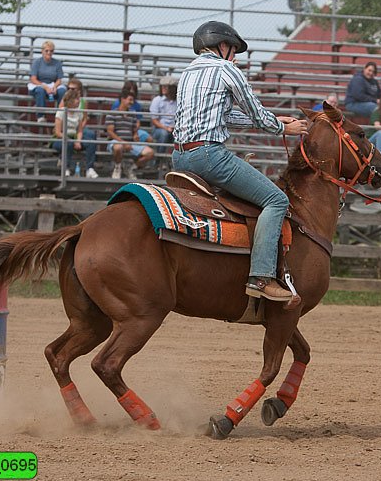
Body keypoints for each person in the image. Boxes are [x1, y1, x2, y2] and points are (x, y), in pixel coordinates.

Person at [173, 20, 308, 304]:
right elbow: (258, 115)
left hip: (180, 157)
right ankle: (260, 277)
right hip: (210, 157)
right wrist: (285, 128)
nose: (234, 56)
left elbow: (222, 114)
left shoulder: (186, 73)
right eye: (232, 49)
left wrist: (274, 119)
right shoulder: (227, 70)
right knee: (276, 200)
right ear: (221, 45)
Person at [106, 87, 154, 179]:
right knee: (118, 147)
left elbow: (134, 129)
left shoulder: (132, 113)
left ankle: (131, 168)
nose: (132, 102)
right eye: (130, 100)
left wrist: (135, 134)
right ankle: (117, 167)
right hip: (116, 141)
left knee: (150, 152)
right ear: (122, 99)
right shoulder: (112, 113)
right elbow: (110, 132)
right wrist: (123, 142)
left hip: (130, 142)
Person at [52, 88, 99, 178]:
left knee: (90, 142)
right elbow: (58, 132)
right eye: (77, 99)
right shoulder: (61, 112)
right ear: (71, 100)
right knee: (68, 144)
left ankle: (90, 168)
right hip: (61, 139)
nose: (79, 101)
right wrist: (70, 140)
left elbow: (80, 130)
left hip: (74, 137)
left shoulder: (79, 113)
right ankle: (66, 168)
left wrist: (78, 140)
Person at [28, 40, 66, 122]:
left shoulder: (57, 63)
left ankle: (61, 116)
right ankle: (41, 116)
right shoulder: (37, 62)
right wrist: (45, 86)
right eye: (47, 51)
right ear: (42, 51)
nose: (49, 53)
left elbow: (59, 79)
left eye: (51, 51)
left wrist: (55, 87)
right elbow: (33, 79)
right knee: (40, 91)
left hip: (52, 85)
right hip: (39, 84)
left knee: (62, 91)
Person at [149, 76, 177, 148]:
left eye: (166, 86)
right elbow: (154, 120)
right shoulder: (157, 100)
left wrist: (175, 128)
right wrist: (166, 128)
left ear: (173, 88)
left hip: (175, 129)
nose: (163, 88)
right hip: (160, 129)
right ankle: (160, 157)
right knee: (164, 134)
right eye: (162, 86)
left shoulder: (179, 101)